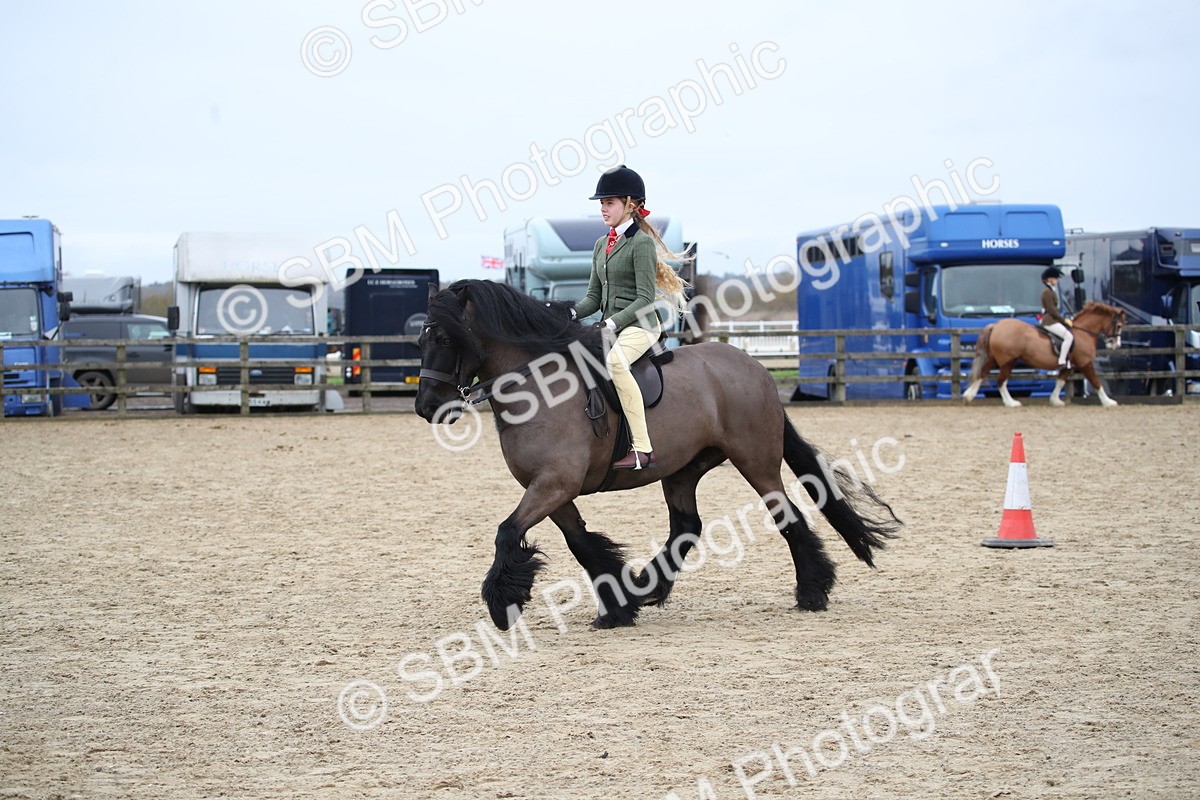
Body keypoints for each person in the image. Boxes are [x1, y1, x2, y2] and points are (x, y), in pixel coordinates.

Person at [571, 165, 689, 471]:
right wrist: (569, 310)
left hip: (640, 326)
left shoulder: (641, 244)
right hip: (612, 328)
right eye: (601, 203)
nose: (603, 208)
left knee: (616, 363)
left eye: (609, 202)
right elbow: (593, 298)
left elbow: (644, 299)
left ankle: (643, 450)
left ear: (630, 204)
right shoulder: (600, 245)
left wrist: (610, 323)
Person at [1040, 266, 1073, 367]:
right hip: (1050, 321)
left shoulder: (1049, 290)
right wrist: (1064, 320)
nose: (1057, 280)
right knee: (1068, 337)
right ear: (1050, 279)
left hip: (1052, 319)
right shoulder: (1047, 292)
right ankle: (1062, 360)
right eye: (1055, 278)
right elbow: (1052, 310)